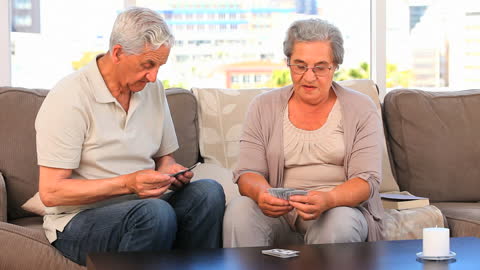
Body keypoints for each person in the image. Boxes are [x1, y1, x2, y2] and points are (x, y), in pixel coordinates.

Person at [35, 7, 225, 266]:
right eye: (148, 64)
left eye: (159, 65)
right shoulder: (69, 97)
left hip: (145, 207)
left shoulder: (152, 90)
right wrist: (128, 184)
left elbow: (164, 159)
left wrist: (172, 172)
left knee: (209, 193)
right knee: (155, 213)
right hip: (78, 221)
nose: (154, 76)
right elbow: (52, 192)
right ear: (118, 53)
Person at [223, 18, 384, 247]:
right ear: (288, 62)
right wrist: (262, 193)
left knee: (339, 221)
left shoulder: (361, 108)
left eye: (320, 67)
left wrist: (328, 199)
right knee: (240, 209)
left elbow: (367, 180)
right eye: (300, 66)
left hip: (336, 210)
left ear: (335, 66)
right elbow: (248, 172)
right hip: (278, 215)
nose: (309, 77)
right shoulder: (263, 106)